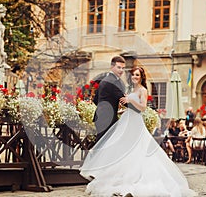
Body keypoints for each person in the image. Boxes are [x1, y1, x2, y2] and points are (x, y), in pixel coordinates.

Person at [80, 66, 197, 197]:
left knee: (137, 149)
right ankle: (121, 179)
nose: (134, 77)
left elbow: (142, 108)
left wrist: (130, 101)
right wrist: (122, 110)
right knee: (123, 149)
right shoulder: (131, 89)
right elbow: (130, 108)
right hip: (126, 120)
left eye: (137, 75)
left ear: (141, 77)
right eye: (133, 75)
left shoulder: (143, 90)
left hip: (136, 122)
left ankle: (137, 179)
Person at [92, 56, 127, 142]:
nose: (121, 70)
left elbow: (95, 100)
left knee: (102, 145)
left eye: (123, 68)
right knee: (103, 146)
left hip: (101, 117)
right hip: (107, 119)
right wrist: (137, 107)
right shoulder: (113, 82)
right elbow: (123, 101)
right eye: (118, 67)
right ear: (112, 67)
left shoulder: (105, 80)